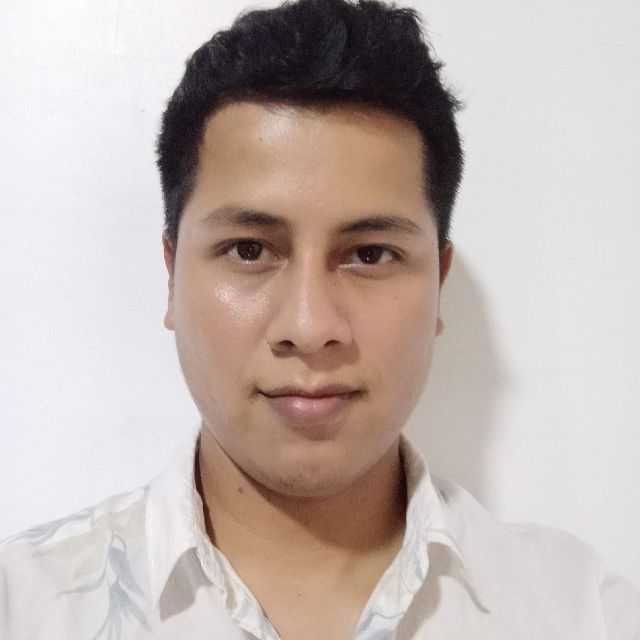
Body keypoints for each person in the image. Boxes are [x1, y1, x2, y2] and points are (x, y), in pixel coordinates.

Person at [1, 0, 639, 638]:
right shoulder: (25, 608)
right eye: (248, 250)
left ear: (439, 286)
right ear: (172, 276)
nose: (309, 328)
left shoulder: (583, 614)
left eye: (370, 255)